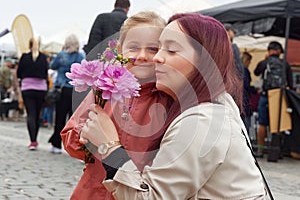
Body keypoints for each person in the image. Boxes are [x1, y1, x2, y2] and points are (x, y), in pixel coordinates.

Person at [80, 13, 266, 199]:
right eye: (159, 48)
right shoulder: (214, 103)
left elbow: (152, 197)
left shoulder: (202, 120)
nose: (157, 58)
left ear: (203, 62)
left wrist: (108, 145)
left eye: (171, 50)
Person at [61, 11, 170, 199]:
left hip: (133, 192)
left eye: (152, 49)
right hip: (92, 191)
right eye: (134, 47)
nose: (142, 56)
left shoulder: (166, 98)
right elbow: (69, 135)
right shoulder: (103, 91)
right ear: (120, 50)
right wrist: (84, 135)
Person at [254, 41, 293, 161]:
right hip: (279, 97)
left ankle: (260, 150)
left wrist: (265, 60)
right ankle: (277, 150)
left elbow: (256, 72)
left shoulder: (265, 63)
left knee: (262, 124)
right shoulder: (285, 64)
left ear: (270, 51)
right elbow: (290, 84)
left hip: (265, 96)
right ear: (279, 51)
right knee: (277, 125)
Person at [48, 34, 84, 154]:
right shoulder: (81, 55)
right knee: (74, 120)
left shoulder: (62, 55)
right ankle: (74, 146)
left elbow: (52, 66)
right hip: (76, 90)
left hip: (62, 89)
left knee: (60, 118)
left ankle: (56, 144)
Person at [17, 37, 49, 150]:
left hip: (27, 88)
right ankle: (35, 139)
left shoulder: (24, 57)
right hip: (41, 89)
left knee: (31, 114)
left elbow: (19, 73)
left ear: (29, 44)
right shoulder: (43, 57)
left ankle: (33, 141)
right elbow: (46, 73)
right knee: (37, 114)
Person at [241, 52, 257, 134]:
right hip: (245, 98)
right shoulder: (245, 70)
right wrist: (255, 90)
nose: (250, 64)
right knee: (246, 122)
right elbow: (246, 85)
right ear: (247, 60)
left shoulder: (237, 69)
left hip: (239, 97)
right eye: (249, 62)